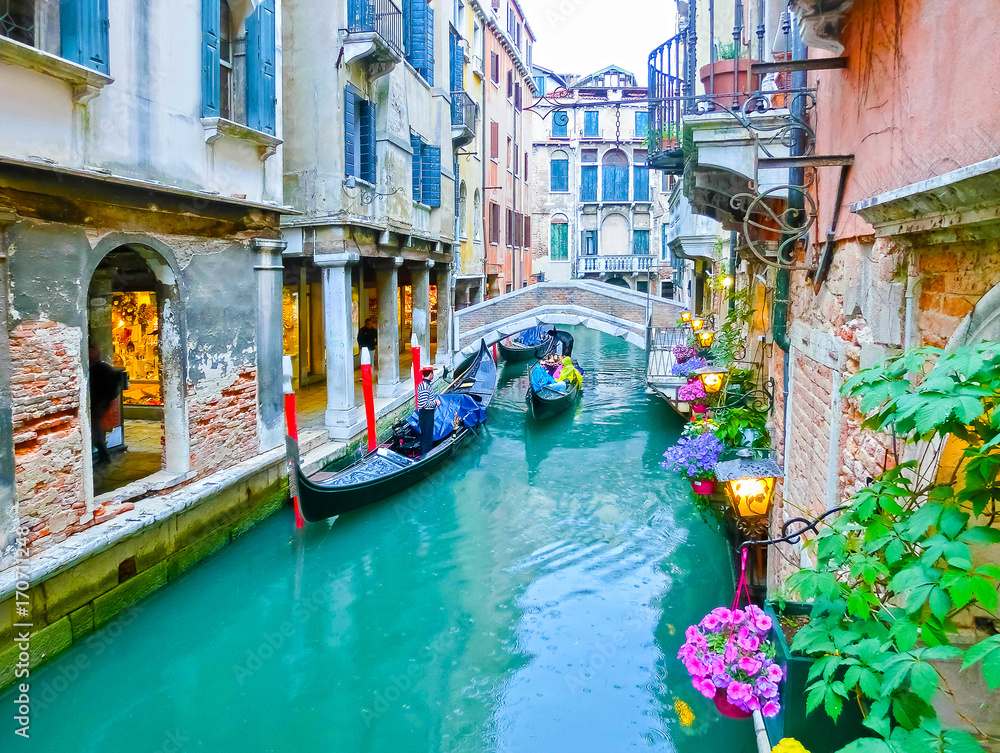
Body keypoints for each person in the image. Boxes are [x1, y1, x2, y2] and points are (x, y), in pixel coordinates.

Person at [89, 343, 122, 465]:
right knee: (96, 429)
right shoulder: (93, 368)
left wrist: (105, 401)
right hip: (96, 402)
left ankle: (104, 455)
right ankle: (102, 454)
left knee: (95, 430)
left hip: (98, 403)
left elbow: (112, 388)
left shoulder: (102, 369)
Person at [416, 365, 440, 457]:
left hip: (427, 414)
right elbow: (424, 404)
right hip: (426, 414)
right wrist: (435, 403)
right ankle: (425, 456)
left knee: (428, 435)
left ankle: (427, 454)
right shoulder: (424, 386)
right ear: (430, 374)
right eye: (432, 373)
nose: (433, 374)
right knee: (426, 437)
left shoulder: (425, 385)